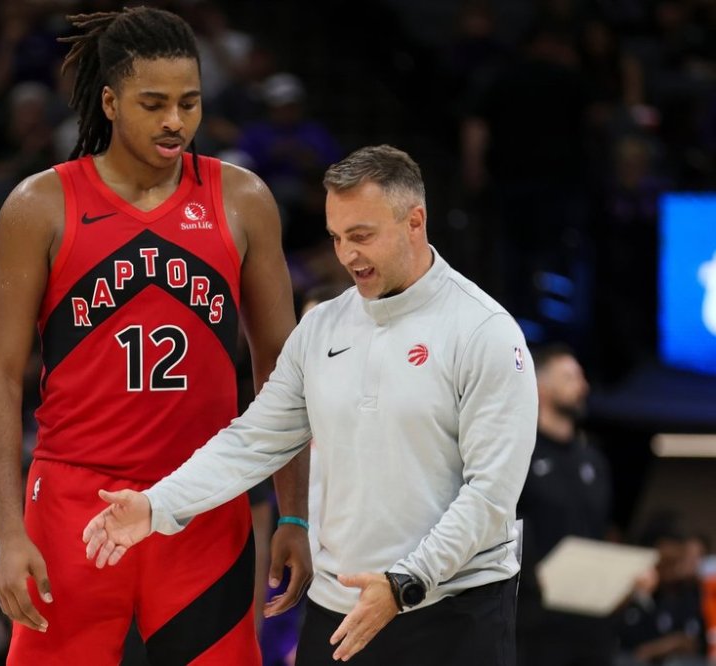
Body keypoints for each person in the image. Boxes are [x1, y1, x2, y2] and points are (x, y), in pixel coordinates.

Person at [84, 144, 538, 666]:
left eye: (362, 236)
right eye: (337, 238)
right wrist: (157, 505)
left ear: (415, 222)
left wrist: (404, 584)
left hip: (450, 613)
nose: (347, 256)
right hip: (337, 612)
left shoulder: (485, 332)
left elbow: (491, 497)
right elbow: (254, 439)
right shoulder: (321, 328)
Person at [0, 7, 312, 665]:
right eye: (153, 103)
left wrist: (293, 513)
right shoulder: (40, 205)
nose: (175, 122)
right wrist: (8, 535)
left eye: (189, 103)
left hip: (204, 499)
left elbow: (283, 369)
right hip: (75, 500)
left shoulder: (242, 199)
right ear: (109, 101)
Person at [516, 344, 614, 666]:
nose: (582, 386)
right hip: (536, 621)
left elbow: (601, 534)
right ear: (541, 386)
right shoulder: (519, 454)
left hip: (593, 620)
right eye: (570, 377)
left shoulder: (593, 460)